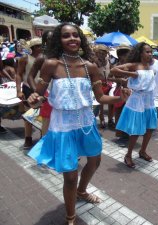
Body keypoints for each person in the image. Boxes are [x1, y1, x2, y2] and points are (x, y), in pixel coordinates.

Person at [26, 23, 130, 225]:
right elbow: (39, 94)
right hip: (62, 126)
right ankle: (70, 217)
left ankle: (82, 191)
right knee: (70, 177)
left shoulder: (90, 67)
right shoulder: (51, 64)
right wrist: (35, 99)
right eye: (66, 36)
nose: (72, 39)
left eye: (75, 35)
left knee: (95, 161)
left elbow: (100, 98)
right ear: (59, 40)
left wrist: (120, 99)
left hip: (86, 123)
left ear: (81, 39)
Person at [111, 42, 157, 169]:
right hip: (137, 99)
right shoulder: (134, 65)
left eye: (150, 51)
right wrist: (132, 74)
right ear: (140, 53)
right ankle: (128, 155)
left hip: (148, 99)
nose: (150, 54)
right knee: (136, 130)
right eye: (147, 51)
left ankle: (142, 151)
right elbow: (113, 70)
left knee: (150, 127)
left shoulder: (149, 64)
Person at [15, 37, 42, 149]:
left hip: (43, 89)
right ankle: (28, 138)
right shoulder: (25, 58)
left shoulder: (46, 58)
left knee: (43, 115)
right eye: (41, 46)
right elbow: (19, 74)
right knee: (28, 115)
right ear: (35, 47)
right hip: (28, 89)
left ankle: (43, 137)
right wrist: (18, 90)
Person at [27, 30, 53, 136]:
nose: (54, 41)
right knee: (46, 124)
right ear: (45, 41)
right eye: (50, 39)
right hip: (47, 93)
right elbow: (30, 77)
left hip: (60, 95)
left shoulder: (62, 56)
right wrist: (37, 93)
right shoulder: (42, 57)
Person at [93, 44, 115, 129]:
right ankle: (102, 119)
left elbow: (111, 71)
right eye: (100, 53)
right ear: (96, 53)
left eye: (104, 53)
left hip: (109, 83)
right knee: (100, 103)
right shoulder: (94, 62)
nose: (102, 55)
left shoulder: (108, 61)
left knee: (111, 102)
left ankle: (110, 119)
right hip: (98, 84)